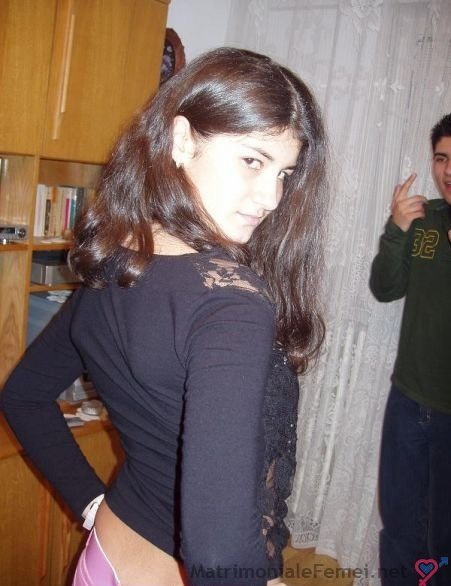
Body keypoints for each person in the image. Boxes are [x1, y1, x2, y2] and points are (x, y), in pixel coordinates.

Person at [0, 47, 328, 586]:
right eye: (253, 161)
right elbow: (219, 556)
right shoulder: (231, 304)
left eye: (285, 172)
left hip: (107, 556)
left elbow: (23, 395)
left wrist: (90, 502)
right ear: (181, 141)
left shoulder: (116, 266)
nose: (272, 196)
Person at [370, 113, 451, 585]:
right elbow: (385, 288)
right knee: (399, 527)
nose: (448, 170)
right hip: (407, 400)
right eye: (441, 158)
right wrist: (397, 228)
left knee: (444, 541)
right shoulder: (426, 222)